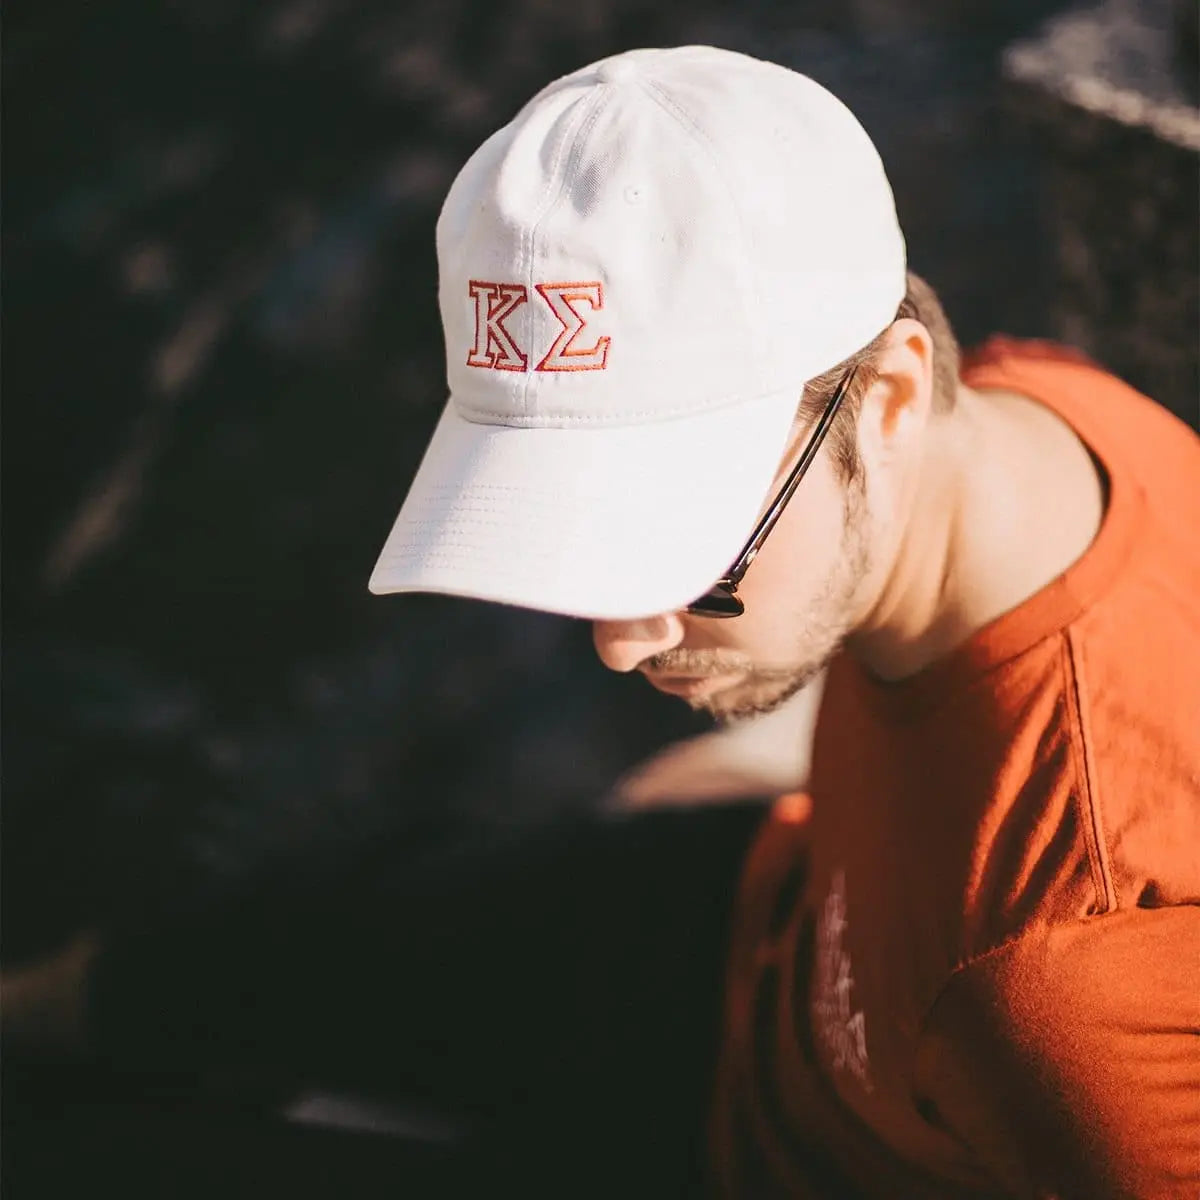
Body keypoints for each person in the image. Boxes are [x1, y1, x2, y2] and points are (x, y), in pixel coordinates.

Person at [5, 46, 1198, 1199]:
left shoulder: (1066, 995)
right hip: (767, 915)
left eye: (682, 553)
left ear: (887, 395)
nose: (621, 645)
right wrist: (799, 772)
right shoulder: (1038, 410)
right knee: (210, 961)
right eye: (580, 548)